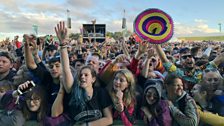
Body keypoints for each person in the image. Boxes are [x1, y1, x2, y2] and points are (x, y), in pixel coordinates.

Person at [52, 21, 113, 125]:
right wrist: (62, 45)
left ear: (93, 79)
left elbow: (109, 119)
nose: (82, 77)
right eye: (80, 75)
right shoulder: (73, 92)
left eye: (86, 75)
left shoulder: (101, 93)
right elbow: (66, 68)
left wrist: (87, 125)